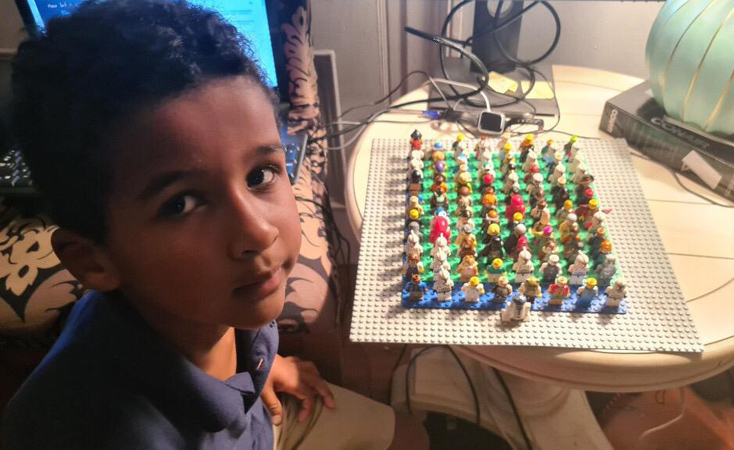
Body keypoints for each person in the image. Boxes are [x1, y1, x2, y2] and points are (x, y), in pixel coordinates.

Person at [0, 1, 427, 449]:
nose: (258, 233)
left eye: (260, 174)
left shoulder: (218, 295)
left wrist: (261, 366)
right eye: (180, 204)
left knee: (409, 437)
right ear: (93, 261)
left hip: (258, 416)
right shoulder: (105, 433)